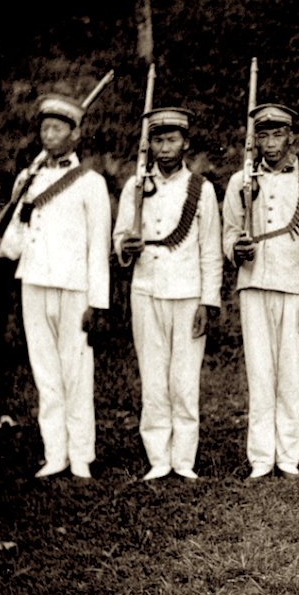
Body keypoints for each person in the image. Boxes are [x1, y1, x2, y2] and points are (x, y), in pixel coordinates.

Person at [0, 93, 111, 478]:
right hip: (34, 282)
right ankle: (55, 453)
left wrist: (97, 300)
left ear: (75, 135)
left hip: (74, 287)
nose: (49, 135)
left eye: (58, 128)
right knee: (45, 371)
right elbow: (13, 241)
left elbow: (99, 247)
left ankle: (81, 456)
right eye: (45, 128)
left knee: (76, 372)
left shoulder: (90, 183)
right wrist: (1, 235)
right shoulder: (30, 178)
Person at [113, 107, 222, 481]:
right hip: (146, 289)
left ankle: (183, 460)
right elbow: (120, 236)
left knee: (184, 379)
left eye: (171, 139)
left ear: (185, 143)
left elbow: (210, 250)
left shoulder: (201, 189)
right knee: (154, 377)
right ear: (150, 144)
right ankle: (158, 458)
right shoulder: (136, 186)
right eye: (157, 140)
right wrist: (125, 247)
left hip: (188, 293)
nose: (164, 148)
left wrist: (208, 301)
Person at [222, 103, 299, 479]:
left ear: (291, 137)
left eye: (277, 134)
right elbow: (229, 232)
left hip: (294, 288)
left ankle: (288, 457)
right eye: (263, 135)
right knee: (260, 372)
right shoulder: (241, 182)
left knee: (290, 373)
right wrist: (237, 249)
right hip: (254, 285)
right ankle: (261, 458)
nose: (270, 143)